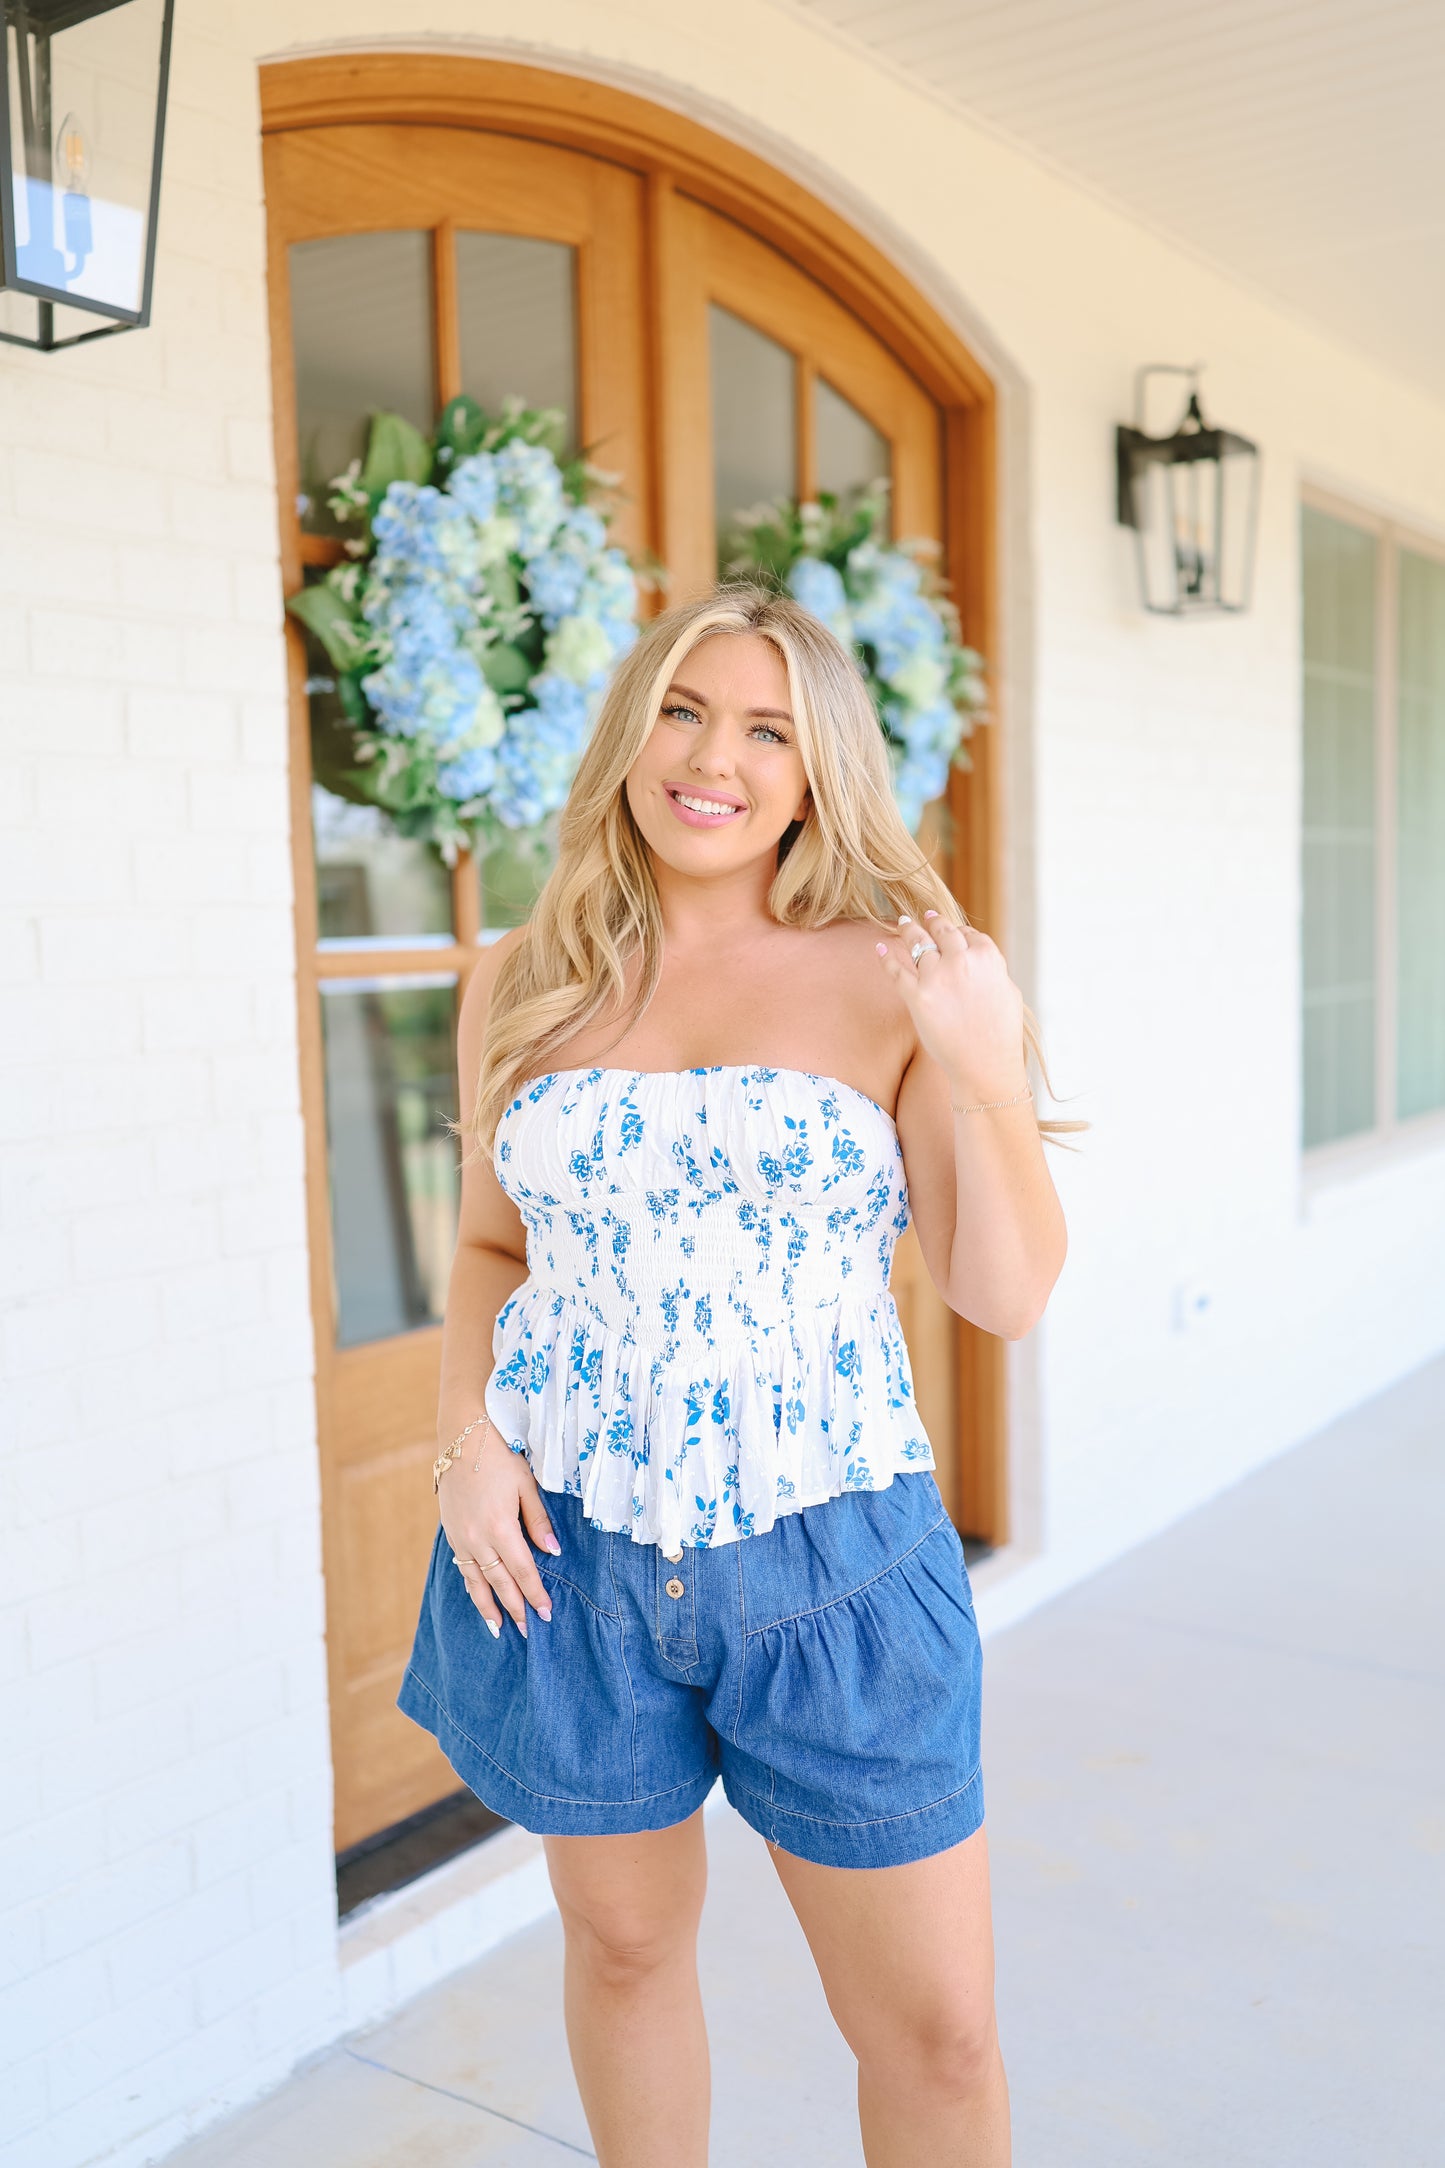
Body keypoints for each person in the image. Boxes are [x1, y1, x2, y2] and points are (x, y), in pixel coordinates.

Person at [399, 582, 1075, 2168]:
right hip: (564, 1558)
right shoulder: (518, 976)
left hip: (829, 1556)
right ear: (631, 732)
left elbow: (1007, 1293)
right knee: (622, 1951)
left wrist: (979, 1064)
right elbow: (493, 1253)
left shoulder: (894, 977)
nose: (713, 757)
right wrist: (462, 1444)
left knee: (937, 2033)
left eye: (766, 727)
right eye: (684, 712)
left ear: (816, 765)